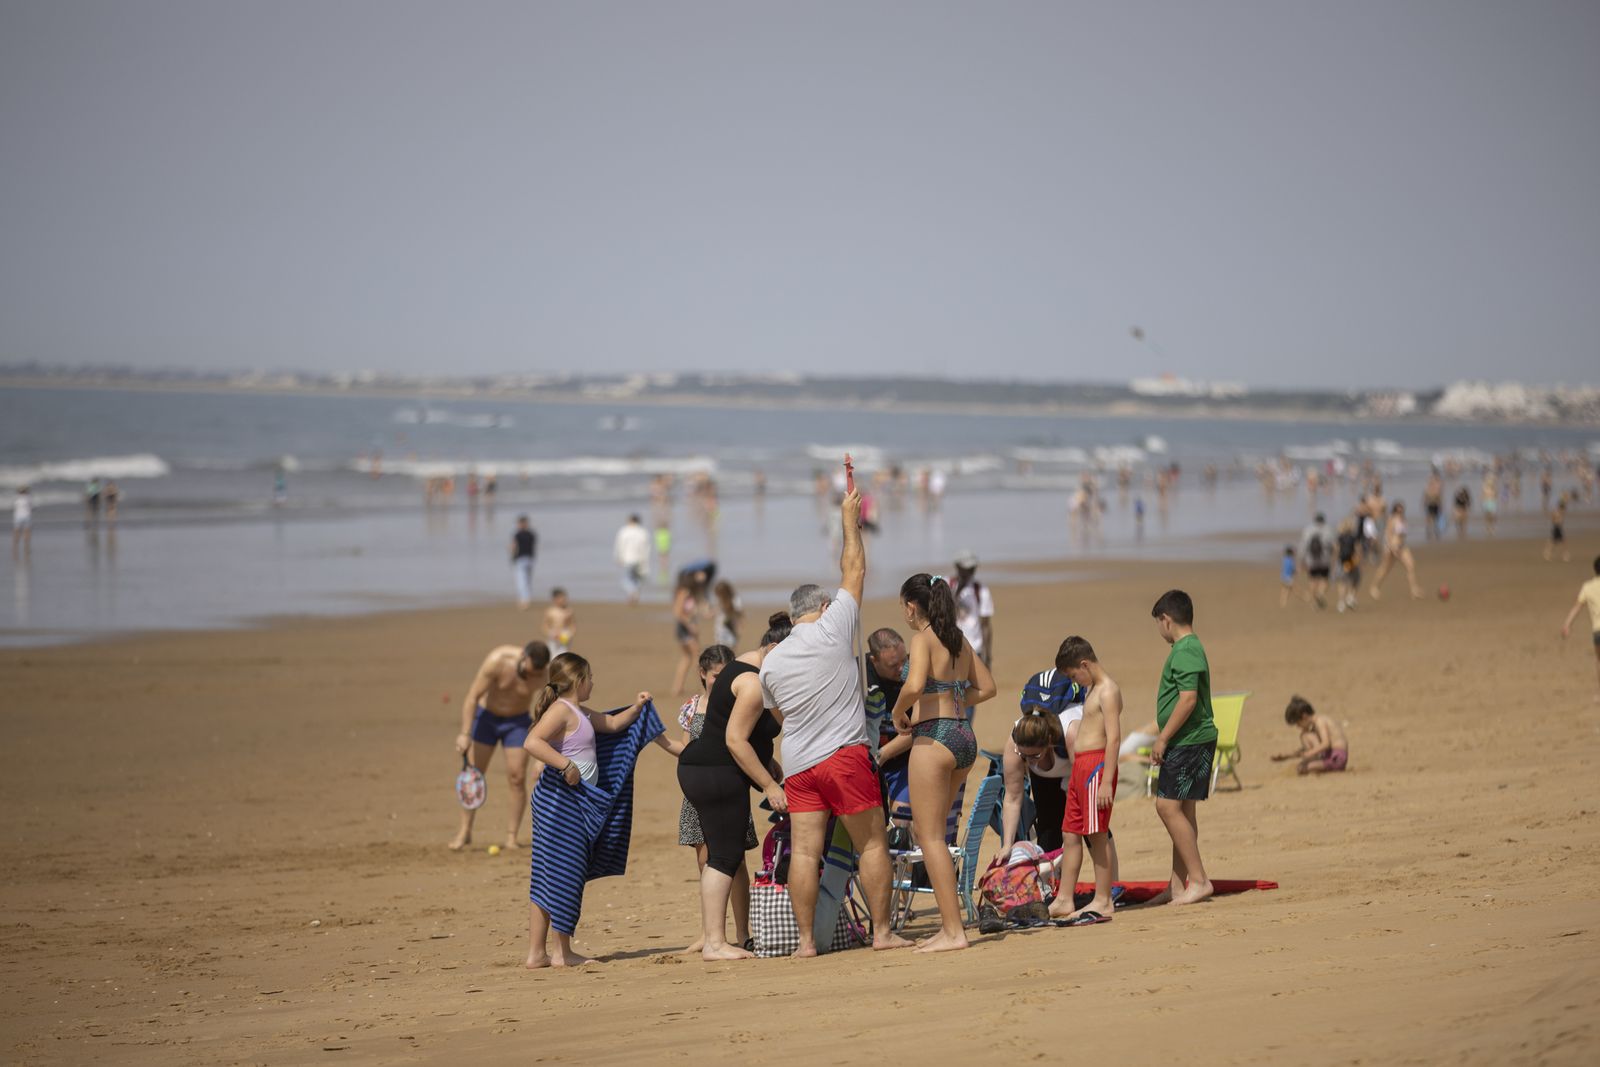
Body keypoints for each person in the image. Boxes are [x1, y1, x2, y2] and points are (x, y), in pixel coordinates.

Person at [758, 488, 912, 955]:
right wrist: (849, 517)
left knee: (805, 852)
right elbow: (855, 569)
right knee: (871, 844)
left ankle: (806, 942)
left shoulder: (771, 661)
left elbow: (778, 715)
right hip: (843, 755)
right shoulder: (835, 624)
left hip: (800, 762)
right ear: (822, 607)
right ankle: (883, 933)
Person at [523, 654, 681, 967]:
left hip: (572, 800)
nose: (593, 682)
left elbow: (612, 724)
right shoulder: (560, 711)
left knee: (547, 872)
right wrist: (564, 764)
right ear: (577, 680)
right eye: (590, 677)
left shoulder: (578, 711)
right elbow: (532, 742)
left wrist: (637, 707)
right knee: (564, 871)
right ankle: (561, 953)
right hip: (560, 801)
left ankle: (537, 954)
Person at [886, 573, 998, 952]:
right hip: (964, 736)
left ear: (911, 606)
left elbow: (915, 684)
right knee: (935, 835)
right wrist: (956, 700)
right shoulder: (957, 639)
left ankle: (953, 931)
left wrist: (899, 711)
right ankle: (950, 926)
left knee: (928, 835)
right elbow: (988, 687)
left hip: (934, 737)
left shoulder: (923, 639)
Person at [677, 617, 791, 962]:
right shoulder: (753, 683)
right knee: (724, 857)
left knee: (724, 855)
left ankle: (717, 938)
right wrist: (770, 785)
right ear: (772, 650)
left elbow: (740, 729)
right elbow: (734, 739)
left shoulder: (743, 661)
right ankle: (714, 943)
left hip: (705, 768)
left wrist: (765, 762)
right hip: (717, 771)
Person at [674, 644, 751, 955]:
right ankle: (710, 934)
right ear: (702, 674)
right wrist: (658, 739)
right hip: (698, 790)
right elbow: (686, 750)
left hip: (729, 786)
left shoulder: (738, 703)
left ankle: (743, 932)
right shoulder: (692, 707)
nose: (719, 682)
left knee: (735, 860)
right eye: (714, 676)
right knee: (705, 861)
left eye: (724, 676)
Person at [449, 641, 551, 851]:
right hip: (486, 719)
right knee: (473, 776)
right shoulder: (498, 661)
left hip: (517, 723)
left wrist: (542, 756)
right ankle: (465, 831)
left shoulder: (542, 675)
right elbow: (472, 697)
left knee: (517, 777)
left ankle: (511, 837)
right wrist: (465, 733)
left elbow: (549, 710)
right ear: (522, 656)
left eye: (535, 674)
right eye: (527, 672)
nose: (530, 678)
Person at [1149, 589, 1216, 906]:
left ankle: (1200, 880)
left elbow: (1188, 699)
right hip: (1187, 739)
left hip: (1189, 740)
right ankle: (1178, 884)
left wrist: (1163, 738)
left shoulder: (1186, 649)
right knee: (1182, 811)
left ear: (1166, 619)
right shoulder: (1187, 647)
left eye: (1158, 624)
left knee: (1167, 807)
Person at [1050, 637, 1123, 925]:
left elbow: (1114, 737)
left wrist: (1106, 781)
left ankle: (1103, 900)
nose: (1074, 683)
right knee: (1070, 832)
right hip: (1081, 767)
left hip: (1096, 767)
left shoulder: (1108, 691)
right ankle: (1065, 897)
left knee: (1096, 834)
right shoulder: (1092, 689)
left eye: (1073, 676)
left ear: (1084, 664)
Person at [998, 659, 1088, 856]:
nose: (1030, 761)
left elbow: (1081, 782)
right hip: (1049, 775)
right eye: (1025, 756)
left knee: (1091, 831)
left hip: (1078, 767)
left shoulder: (1070, 734)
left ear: (1049, 742)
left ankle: (1111, 885)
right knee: (1048, 828)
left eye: (1035, 755)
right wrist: (1007, 844)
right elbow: (1013, 797)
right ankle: (1053, 884)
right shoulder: (1016, 742)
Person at [1272, 695, 1348, 773]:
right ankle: (1319, 762)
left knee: (1303, 768)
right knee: (1305, 737)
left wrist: (1310, 753)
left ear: (1304, 716)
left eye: (1298, 723)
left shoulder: (1320, 721)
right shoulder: (1315, 725)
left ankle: (1320, 764)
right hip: (1329, 754)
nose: (1298, 727)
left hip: (1336, 758)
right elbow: (1305, 750)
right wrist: (1287, 756)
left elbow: (1326, 743)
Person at [1560, 556, 1600, 702]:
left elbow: (1577, 607)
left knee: (1599, 661)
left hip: (1598, 631)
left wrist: (1567, 625)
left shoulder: (1587, 587)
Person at [1369, 502, 1424, 600]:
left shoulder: (1403, 520)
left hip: (1401, 546)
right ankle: (1374, 587)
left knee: (1410, 565)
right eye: (1398, 511)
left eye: (1401, 510)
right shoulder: (1392, 519)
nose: (1400, 512)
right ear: (1394, 510)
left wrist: (1400, 544)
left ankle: (1414, 590)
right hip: (1391, 547)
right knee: (1385, 568)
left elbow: (1403, 535)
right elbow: (1388, 534)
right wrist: (1391, 547)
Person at [952, 551, 995, 668]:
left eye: (972, 569)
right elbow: (941, 612)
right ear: (957, 567)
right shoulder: (947, 585)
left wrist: (988, 656)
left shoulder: (981, 591)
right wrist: (957, 591)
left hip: (975, 650)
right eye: (966, 569)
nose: (969, 572)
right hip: (951, 649)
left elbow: (986, 625)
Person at [670, 571, 701, 698]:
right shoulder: (684, 592)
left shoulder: (690, 592)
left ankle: (677, 687)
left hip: (687, 628)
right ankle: (702, 685)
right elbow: (677, 612)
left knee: (687, 657)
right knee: (697, 655)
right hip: (684, 629)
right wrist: (690, 626)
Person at [1299, 511, 1333, 609]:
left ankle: (1315, 601)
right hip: (1325, 559)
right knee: (1325, 579)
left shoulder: (1308, 530)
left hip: (1311, 560)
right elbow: (1333, 545)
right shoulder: (1328, 530)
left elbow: (1303, 547)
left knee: (1313, 580)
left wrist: (1301, 561)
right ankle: (1320, 593)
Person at [613, 514, 650, 604]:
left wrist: (618, 557)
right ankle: (634, 593)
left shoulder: (624, 531)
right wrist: (645, 560)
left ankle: (632, 592)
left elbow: (619, 545)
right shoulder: (643, 532)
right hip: (639, 559)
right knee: (636, 578)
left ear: (630, 521)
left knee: (627, 579)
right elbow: (647, 547)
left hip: (628, 559)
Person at [1335, 517, 1362, 613]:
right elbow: (1358, 549)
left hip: (1342, 561)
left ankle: (1341, 603)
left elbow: (1337, 550)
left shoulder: (1339, 537)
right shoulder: (1354, 537)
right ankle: (1350, 597)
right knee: (1355, 579)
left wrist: (1337, 560)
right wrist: (1358, 559)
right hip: (1351, 561)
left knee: (1342, 582)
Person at [511, 516, 537, 610]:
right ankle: (527, 598)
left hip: (521, 559)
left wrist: (512, 557)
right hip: (530, 559)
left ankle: (524, 600)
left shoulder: (518, 534)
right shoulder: (532, 534)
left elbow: (513, 547)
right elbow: (534, 546)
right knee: (527, 580)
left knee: (522, 581)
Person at [543, 588, 576, 655]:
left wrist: (570, 634)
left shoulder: (568, 611)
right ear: (554, 599)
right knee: (551, 654)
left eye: (564, 598)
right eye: (561, 598)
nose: (563, 600)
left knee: (563, 653)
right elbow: (545, 625)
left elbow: (572, 625)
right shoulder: (550, 611)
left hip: (564, 634)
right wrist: (550, 633)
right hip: (553, 634)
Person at [712, 579, 742, 648]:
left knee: (730, 648)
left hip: (731, 628)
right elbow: (714, 612)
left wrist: (739, 627)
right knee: (720, 649)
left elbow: (739, 614)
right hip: (720, 628)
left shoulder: (735, 599)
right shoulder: (719, 600)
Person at [1545, 494, 1570, 563]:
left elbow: (1565, 501)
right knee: (1555, 542)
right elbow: (1553, 519)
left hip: (1558, 528)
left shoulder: (1560, 512)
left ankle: (1564, 555)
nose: (1565, 509)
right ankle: (1548, 554)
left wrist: (1565, 498)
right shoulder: (1557, 512)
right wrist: (1557, 520)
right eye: (1564, 508)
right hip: (1556, 528)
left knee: (1560, 542)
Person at [11, 486, 32, 560]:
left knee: (16, 532)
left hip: (17, 516)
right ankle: (26, 547)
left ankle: (15, 547)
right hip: (26, 516)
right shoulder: (28, 497)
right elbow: (30, 506)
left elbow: (14, 507)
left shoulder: (16, 498)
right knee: (27, 532)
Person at [1423, 472, 1444, 541]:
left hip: (1436, 505)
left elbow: (1439, 499)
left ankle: (1436, 532)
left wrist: (1441, 506)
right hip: (1429, 505)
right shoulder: (1427, 490)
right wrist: (1423, 505)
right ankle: (1428, 532)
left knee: (1436, 519)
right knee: (1429, 519)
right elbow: (1424, 498)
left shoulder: (1437, 490)